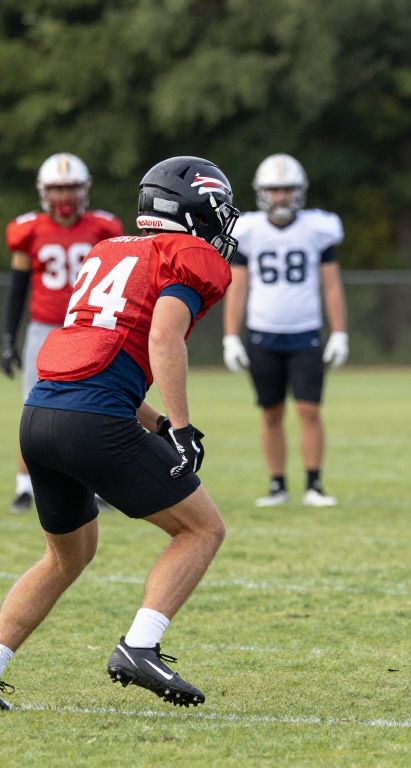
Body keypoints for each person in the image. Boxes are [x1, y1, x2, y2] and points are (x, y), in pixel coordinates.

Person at [0, 156, 238, 710]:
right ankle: (140, 644)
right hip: (94, 422)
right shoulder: (191, 256)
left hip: (40, 417)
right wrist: (180, 428)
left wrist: (154, 422)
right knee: (202, 530)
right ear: (195, 208)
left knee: (67, 556)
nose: (223, 224)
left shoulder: (110, 250)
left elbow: (99, 363)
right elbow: (163, 337)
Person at [222, 153, 349, 508]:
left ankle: (314, 484)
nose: (281, 197)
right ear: (262, 193)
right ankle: (277, 484)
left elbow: (332, 286)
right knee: (270, 412)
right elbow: (237, 286)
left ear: (300, 192)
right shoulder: (248, 231)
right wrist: (230, 335)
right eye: (274, 190)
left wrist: (339, 331)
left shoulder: (318, 228)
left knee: (309, 410)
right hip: (262, 333)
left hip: (305, 333)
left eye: (287, 190)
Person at [2, 153, 123, 513]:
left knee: (100, 403)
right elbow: (19, 287)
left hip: (90, 326)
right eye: (57, 188)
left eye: (70, 188)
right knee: (33, 407)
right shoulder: (29, 230)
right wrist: (10, 336)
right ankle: (25, 486)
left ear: (84, 190)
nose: (64, 196)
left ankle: (101, 484)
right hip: (45, 328)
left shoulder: (104, 228)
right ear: (43, 191)